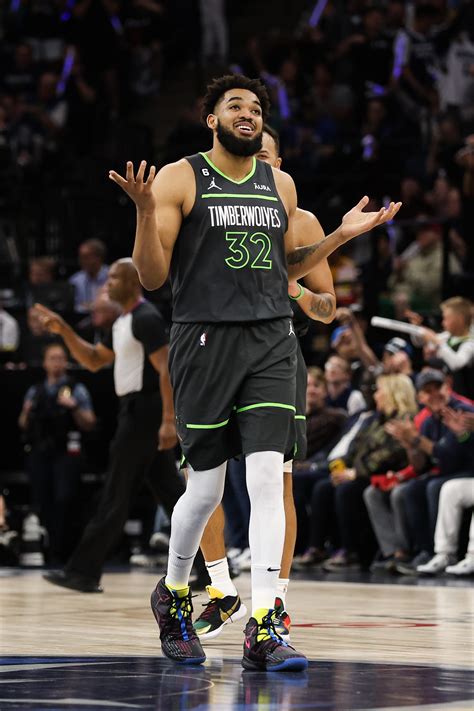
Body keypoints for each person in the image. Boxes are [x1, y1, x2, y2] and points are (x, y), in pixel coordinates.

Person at [108, 73, 400, 670]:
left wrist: (340, 237)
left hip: (270, 339)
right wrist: (143, 215)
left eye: (257, 108)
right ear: (210, 119)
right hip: (204, 339)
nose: (249, 114)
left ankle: (265, 624)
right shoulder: (180, 177)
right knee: (207, 488)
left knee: (269, 478)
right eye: (235, 105)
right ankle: (173, 592)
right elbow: (154, 277)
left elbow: (284, 264)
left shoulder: (281, 183)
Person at [192, 124, 338, 642]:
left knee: (276, 483)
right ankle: (219, 590)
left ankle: (274, 602)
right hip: (216, 353)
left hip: (276, 358)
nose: (261, 166)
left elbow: (328, 308)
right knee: (200, 481)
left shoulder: (300, 222)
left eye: (269, 157)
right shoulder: (215, 210)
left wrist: (291, 286)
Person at [36, 259, 179, 591]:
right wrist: (65, 330)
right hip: (133, 409)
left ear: (133, 281)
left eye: (114, 276)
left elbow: (166, 370)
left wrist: (169, 420)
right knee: (172, 493)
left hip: (146, 410)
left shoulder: (146, 318)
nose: (107, 282)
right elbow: (94, 360)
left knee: (115, 493)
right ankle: (210, 567)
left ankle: (83, 571)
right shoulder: (121, 321)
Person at [18, 342, 97, 562]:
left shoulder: (76, 389)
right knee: (42, 500)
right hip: (41, 453)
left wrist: (73, 407)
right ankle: (47, 549)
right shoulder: (35, 391)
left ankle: (65, 551)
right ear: (44, 363)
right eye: (52, 358)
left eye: (61, 358)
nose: (56, 363)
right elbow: (23, 424)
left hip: (66, 454)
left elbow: (89, 422)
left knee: (65, 499)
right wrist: (26, 413)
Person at [419, 297, 474, 400]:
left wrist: (437, 343)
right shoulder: (446, 337)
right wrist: (418, 327)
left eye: (446, 318)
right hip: (443, 396)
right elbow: (422, 342)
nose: (442, 323)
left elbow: (457, 363)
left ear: (459, 320)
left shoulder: (470, 343)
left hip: (463, 400)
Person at [69, 239, 109, 314]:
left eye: (86, 257)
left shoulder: (112, 276)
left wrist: (92, 306)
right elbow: (74, 306)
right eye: (80, 257)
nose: (82, 261)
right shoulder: (75, 280)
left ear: (99, 257)